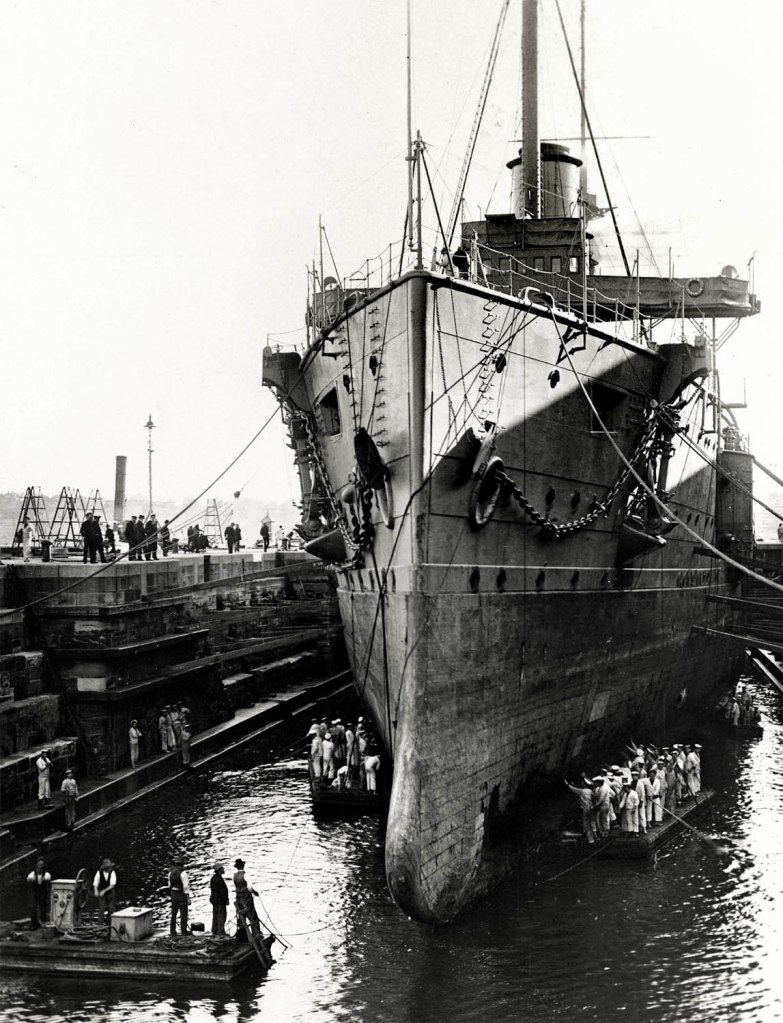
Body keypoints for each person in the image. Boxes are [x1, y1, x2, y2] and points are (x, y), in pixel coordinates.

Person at [232, 858, 262, 944]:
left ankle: (243, 937)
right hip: (247, 898)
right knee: (252, 915)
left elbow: (235, 887)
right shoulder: (246, 875)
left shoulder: (234, 876)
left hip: (239, 898)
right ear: (243, 866)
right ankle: (256, 934)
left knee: (241, 917)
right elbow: (250, 888)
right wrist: (256, 893)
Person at [565, 778, 597, 844]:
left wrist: (567, 783)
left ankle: (591, 840)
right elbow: (594, 797)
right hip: (591, 808)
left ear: (584, 784)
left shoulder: (581, 791)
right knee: (592, 821)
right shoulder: (590, 791)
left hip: (585, 809)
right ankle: (595, 835)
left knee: (587, 824)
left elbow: (572, 788)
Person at [168, 857, 190, 936]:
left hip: (173, 895)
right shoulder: (183, 873)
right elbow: (186, 887)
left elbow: (169, 885)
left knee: (173, 914)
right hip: (181, 895)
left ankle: (172, 931)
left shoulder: (170, 873)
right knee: (183, 914)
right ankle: (184, 931)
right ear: (182, 864)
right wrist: (188, 898)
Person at [27, 858, 52, 927]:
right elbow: (29, 878)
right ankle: (33, 923)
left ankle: (43, 922)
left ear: (43, 868)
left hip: (43, 892)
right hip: (35, 892)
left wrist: (43, 879)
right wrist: (33, 878)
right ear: (36, 867)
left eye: (41, 868)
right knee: (33, 907)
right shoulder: (33, 873)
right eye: (38, 867)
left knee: (43, 907)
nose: (39, 869)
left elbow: (48, 878)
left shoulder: (46, 874)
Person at [93, 857, 117, 928]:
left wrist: (104, 891)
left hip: (110, 892)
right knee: (101, 908)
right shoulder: (99, 872)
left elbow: (112, 885)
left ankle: (111, 925)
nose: (109, 869)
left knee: (111, 908)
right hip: (101, 892)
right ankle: (100, 926)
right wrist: (96, 891)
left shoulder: (112, 872)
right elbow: (95, 883)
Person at [210, 862, 229, 936]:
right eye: (222, 868)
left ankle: (215, 931)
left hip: (214, 900)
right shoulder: (219, 879)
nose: (224, 869)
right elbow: (222, 891)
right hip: (220, 901)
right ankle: (220, 933)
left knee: (215, 916)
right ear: (220, 870)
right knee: (221, 916)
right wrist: (226, 900)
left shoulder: (213, 878)